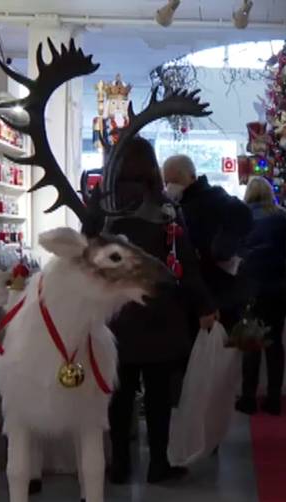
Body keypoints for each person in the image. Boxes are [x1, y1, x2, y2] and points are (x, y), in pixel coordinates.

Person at [107, 137, 216, 484]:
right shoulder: (166, 209)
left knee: (118, 396)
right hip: (159, 317)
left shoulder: (104, 210)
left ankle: (120, 464)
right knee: (157, 397)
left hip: (115, 316)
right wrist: (204, 306)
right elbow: (186, 264)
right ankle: (158, 464)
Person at [163, 154, 254, 330]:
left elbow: (242, 215)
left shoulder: (210, 200)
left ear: (190, 176)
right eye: (166, 182)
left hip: (218, 296)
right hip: (208, 296)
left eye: (173, 180)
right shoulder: (183, 205)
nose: (169, 187)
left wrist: (222, 249)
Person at [236, 176, 286, 416]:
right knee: (275, 342)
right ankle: (274, 398)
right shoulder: (283, 217)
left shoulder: (241, 217)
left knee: (251, 342)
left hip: (250, 286)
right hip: (277, 287)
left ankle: (248, 398)